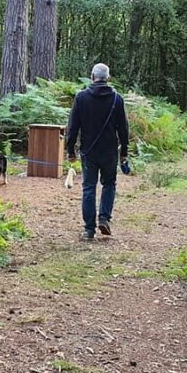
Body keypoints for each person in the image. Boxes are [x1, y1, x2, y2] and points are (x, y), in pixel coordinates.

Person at [66, 63, 130, 241]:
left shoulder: (81, 97)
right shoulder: (117, 99)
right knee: (109, 184)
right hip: (109, 151)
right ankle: (104, 218)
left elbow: (72, 127)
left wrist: (70, 150)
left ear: (92, 77)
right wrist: (124, 152)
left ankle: (88, 230)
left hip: (89, 151)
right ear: (107, 78)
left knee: (88, 188)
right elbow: (123, 129)